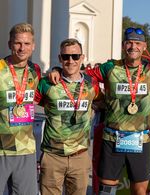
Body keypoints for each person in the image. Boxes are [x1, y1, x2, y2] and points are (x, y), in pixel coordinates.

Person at [48, 27, 150, 195]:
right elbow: (79, 74)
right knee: (107, 190)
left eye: (137, 43)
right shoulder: (110, 67)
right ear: (123, 45)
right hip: (112, 138)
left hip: (140, 140)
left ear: (144, 47)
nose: (133, 47)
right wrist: (57, 70)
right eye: (129, 43)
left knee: (139, 191)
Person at [34, 38, 100, 195]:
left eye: (75, 56)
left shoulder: (92, 85)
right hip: (52, 156)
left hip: (80, 156)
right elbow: (27, 103)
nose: (71, 61)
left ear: (82, 58)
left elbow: (103, 102)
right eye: (65, 57)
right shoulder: (47, 84)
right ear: (60, 59)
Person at [0, 23, 41, 194]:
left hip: (26, 148)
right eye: (17, 43)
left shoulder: (35, 70)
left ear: (33, 46)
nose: (22, 48)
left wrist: (56, 69)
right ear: (10, 44)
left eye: (26, 44)